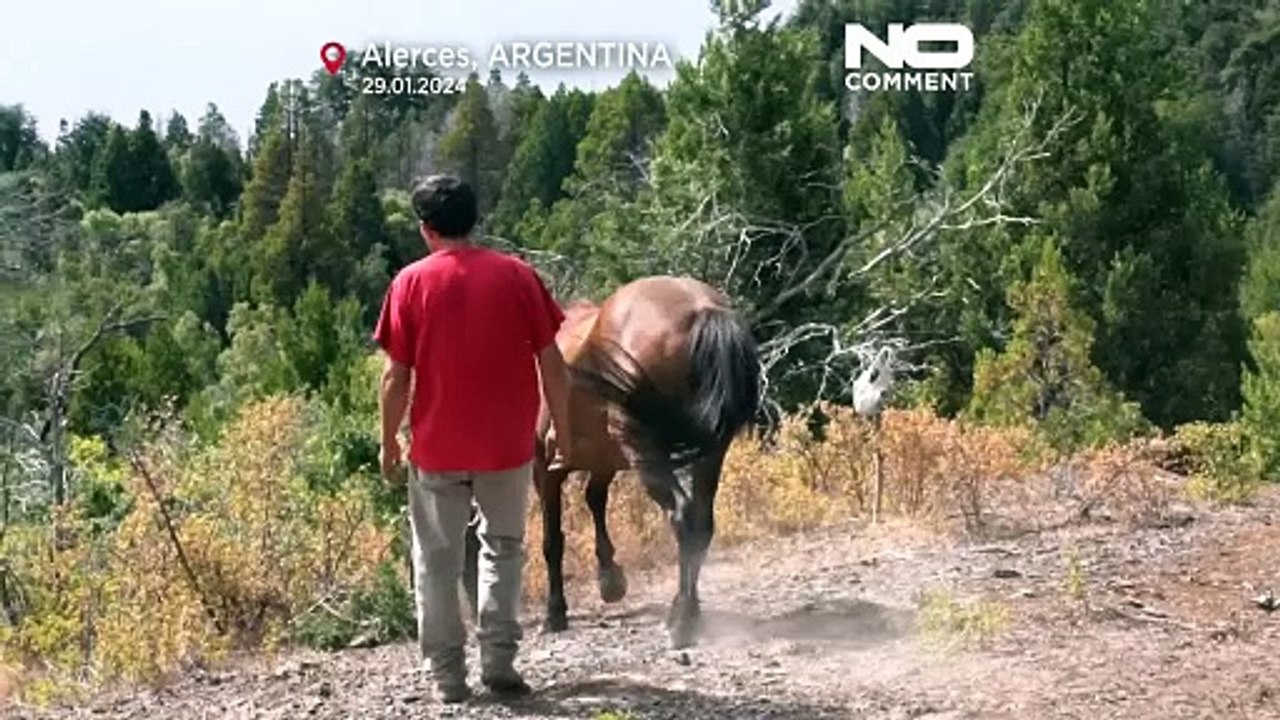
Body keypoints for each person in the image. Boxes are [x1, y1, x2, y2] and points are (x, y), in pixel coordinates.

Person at [374, 174, 573, 704]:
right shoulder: (518, 276)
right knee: (503, 550)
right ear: (473, 220)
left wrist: (389, 440)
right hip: (507, 446)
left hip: (437, 447)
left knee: (435, 560)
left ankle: (448, 677)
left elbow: (396, 376)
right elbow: (553, 364)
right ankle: (500, 662)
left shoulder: (410, 284)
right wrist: (563, 433)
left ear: (425, 229)